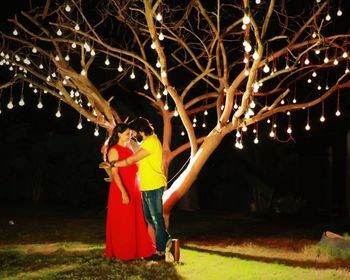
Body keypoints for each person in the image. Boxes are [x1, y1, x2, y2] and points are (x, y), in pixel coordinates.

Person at [110, 117, 171, 261]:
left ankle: (160, 252)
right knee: (150, 218)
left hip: (153, 185)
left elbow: (132, 160)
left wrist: (113, 164)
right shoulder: (147, 142)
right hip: (146, 185)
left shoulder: (150, 143)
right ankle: (166, 239)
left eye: (134, 132)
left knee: (156, 219)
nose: (133, 135)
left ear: (140, 131)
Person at [104, 123, 155, 260]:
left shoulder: (129, 149)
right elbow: (115, 174)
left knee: (135, 221)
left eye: (130, 134)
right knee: (123, 222)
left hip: (133, 187)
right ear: (119, 134)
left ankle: (136, 251)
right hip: (121, 189)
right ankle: (124, 252)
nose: (129, 136)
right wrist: (123, 192)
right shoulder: (114, 150)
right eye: (127, 133)